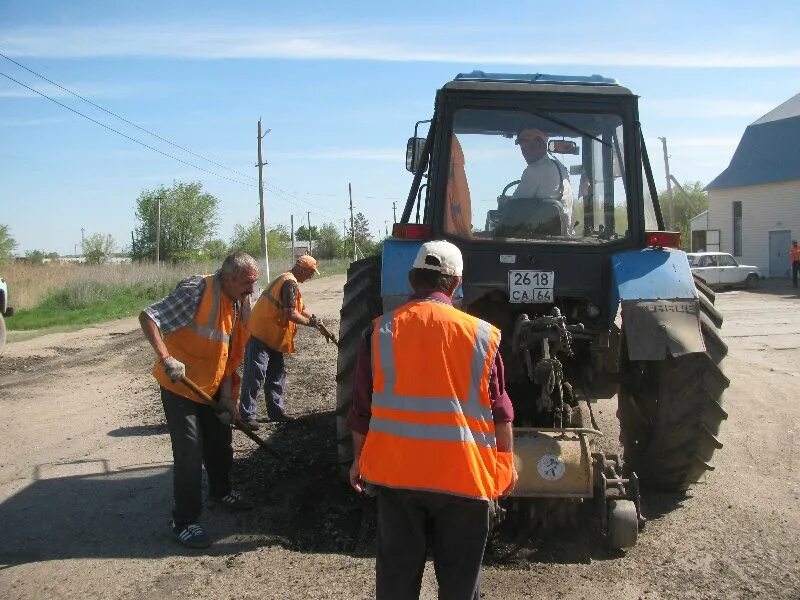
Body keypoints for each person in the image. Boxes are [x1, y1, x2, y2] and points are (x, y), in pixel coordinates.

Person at [347, 240, 518, 600]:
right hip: (464, 478)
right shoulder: (481, 336)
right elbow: (500, 411)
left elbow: (361, 408)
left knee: (396, 578)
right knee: (459, 583)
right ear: (456, 284)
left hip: (397, 477)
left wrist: (358, 460)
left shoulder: (379, 332)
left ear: (412, 279)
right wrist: (505, 465)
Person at [139, 252, 259, 549]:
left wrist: (229, 399)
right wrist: (166, 358)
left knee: (221, 443)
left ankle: (221, 491)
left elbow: (233, 355)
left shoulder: (241, 301)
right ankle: (184, 522)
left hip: (214, 385)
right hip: (181, 385)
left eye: (254, 283)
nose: (252, 290)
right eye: (247, 283)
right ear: (227, 278)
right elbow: (149, 316)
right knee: (190, 451)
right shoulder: (197, 290)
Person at [239, 254, 322, 427]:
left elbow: (301, 309)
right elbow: (290, 313)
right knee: (255, 375)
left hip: (273, 336)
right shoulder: (289, 282)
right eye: (311, 273)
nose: (311, 276)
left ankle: (276, 412)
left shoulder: (290, 281)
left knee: (276, 375)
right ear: (303, 269)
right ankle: (247, 416)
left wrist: (315, 319)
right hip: (262, 334)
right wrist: (309, 323)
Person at [511, 127, 574, 223]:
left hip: (539, 234)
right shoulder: (560, 167)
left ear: (543, 146)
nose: (526, 153)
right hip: (564, 234)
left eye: (531, 148)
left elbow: (513, 207)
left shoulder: (535, 169)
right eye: (523, 149)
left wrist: (504, 203)